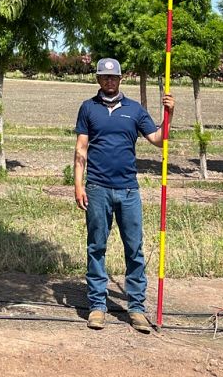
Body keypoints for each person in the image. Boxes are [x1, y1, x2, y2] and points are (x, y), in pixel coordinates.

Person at [73, 57, 175, 333]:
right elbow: (81, 149)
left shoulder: (134, 110)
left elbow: (158, 140)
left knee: (134, 250)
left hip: (129, 190)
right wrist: (78, 185)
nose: (109, 81)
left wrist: (170, 114)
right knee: (96, 247)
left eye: (113, 77)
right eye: (104, 77)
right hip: (97, 189)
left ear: (120, 79)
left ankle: (137, 308)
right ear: (98, 80)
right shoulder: (88, 108)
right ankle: (97, 305)